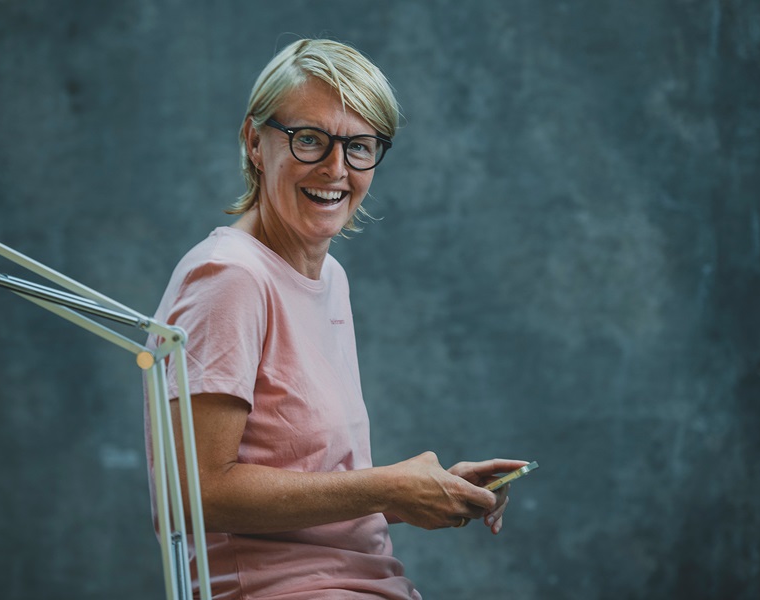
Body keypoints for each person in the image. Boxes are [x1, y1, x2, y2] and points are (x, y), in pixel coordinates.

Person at [145, 38, 529, 599]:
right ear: (255, 141)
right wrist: (386, 485)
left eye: (360, 146)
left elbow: (307, 485)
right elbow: (197, 491)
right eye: (309, 140)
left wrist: (421, 492)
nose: (336, 168)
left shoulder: (329, 278)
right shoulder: (229, 277)